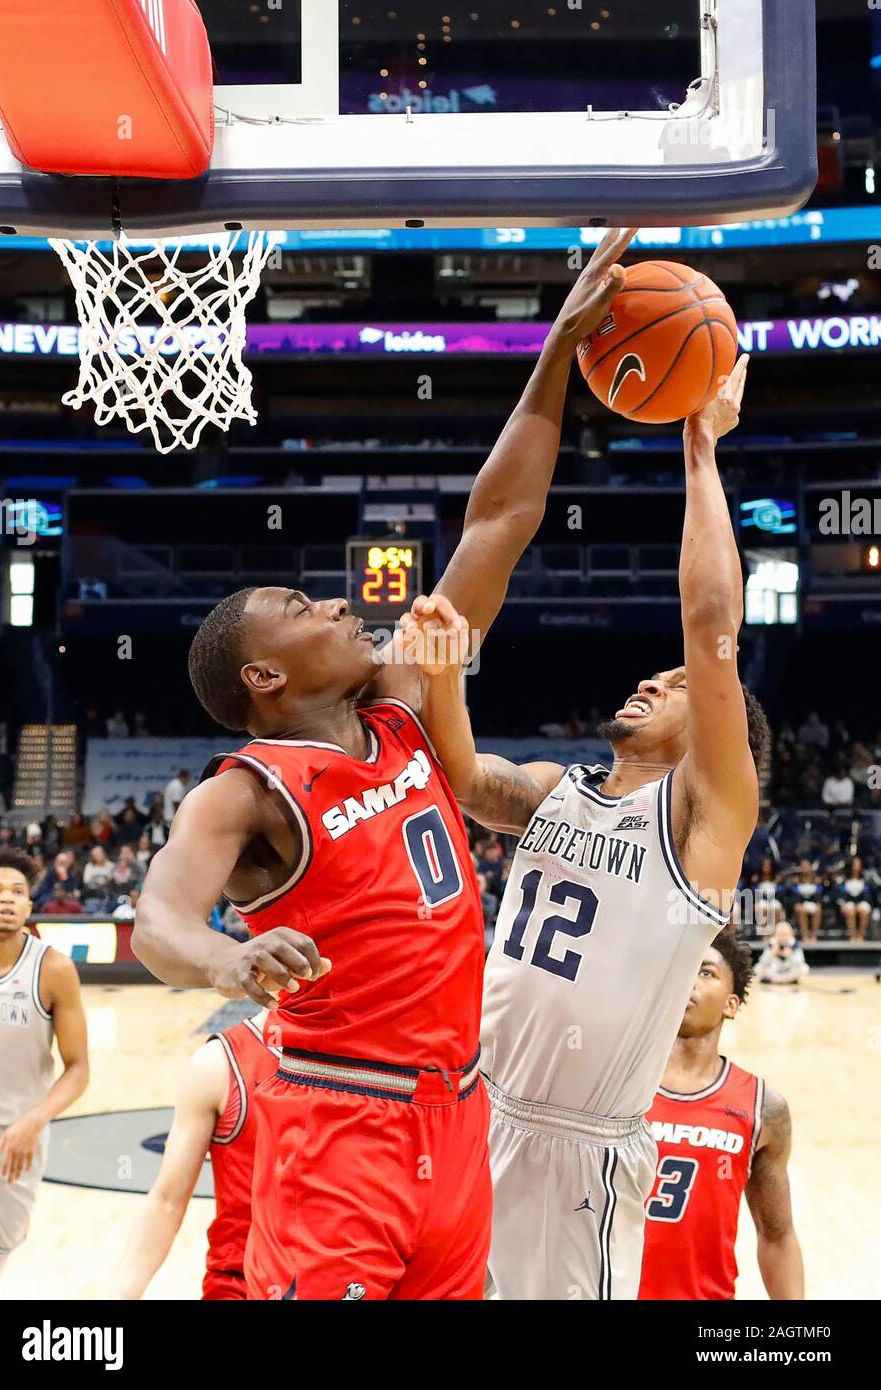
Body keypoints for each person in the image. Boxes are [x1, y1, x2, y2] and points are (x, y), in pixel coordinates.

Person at [133, 228, 638, 1302]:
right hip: (336, 1122)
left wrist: (555, 347)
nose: (332, 601)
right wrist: (230, 963)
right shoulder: (248, 786)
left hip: (458, 1113)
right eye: (300, 608)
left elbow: (502, 517)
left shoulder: (406, 706)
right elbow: (158, 920)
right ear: (265, 676)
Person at [400, 354, 766, 1300]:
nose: (652, 680)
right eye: (655, 675)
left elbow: (707, 619)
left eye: (678, 686)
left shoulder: (700, 819)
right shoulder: (556, 790)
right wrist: (443, 671)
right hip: (470, 1112)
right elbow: (458, 775)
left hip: (576, 1157)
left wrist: (698, 448)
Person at [639, 930, 804, 1300]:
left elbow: (776, 1236)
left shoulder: (764, 1107)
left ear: (731, 1005)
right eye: (681, 969)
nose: (688, 981)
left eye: (706, 972)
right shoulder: (615, 1084)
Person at [0, 848, 89, 1298]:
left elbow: (78, 1070)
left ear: (28, 905)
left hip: (18, 1137)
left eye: (18, 892)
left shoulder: (53, 969)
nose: (8, 899)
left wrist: (34, 1121)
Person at [116, 1014, 277, 1300]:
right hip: (241, 1286)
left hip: (346, 1281)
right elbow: (167, 1201)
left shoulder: (371, 1054)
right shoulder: (217, 1064)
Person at [782, 858, 823, 944]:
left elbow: (819, 894)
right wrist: (797, 903)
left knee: (818, 910)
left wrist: (819, 904)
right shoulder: (796, 881)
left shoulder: (816, 880)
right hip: (801, 904)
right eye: (803, 866)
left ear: (810, 867)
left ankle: (814, 936)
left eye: (806, 866)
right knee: (801, 910)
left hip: (813, 903)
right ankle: (805, 936)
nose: (805, 868)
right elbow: (793, 895)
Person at [755, 922, 809, 986]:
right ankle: (786, 981)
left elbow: (800, 962)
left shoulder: (794, 945)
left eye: (785, 934)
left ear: (791, 934)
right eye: (780, 934)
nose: (783, 937)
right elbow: (762, 962)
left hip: (789, 972)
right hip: (774, 972)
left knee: (804, 969)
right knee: (758, 969)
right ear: (775, 934)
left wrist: (790, 956)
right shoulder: (772, 944)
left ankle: (786, 980)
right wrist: (772, 954)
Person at [835, 856, 874, 943]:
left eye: (859, 864)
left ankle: (861, 936)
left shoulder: (865, 879)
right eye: (855, 864)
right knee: (850, 909)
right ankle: (852, 936)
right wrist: (842, 904)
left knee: (863, 909)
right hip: (848, 903)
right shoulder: (843, 879)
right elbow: (839, 895)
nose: (857, 866)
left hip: (861, 902)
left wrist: (861, 904)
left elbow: (868, 895)